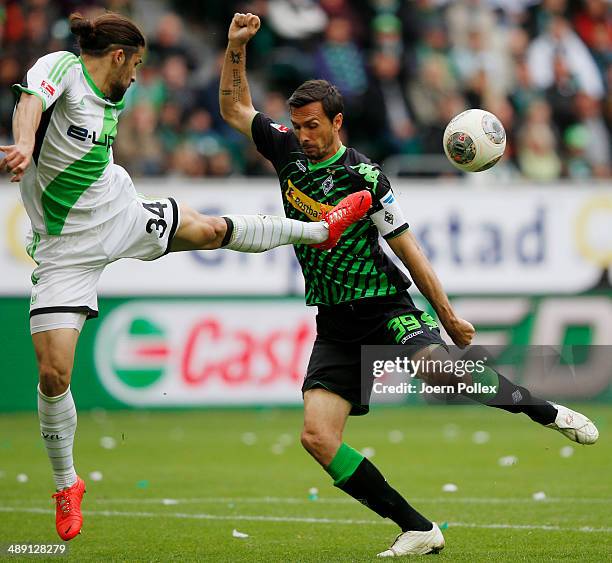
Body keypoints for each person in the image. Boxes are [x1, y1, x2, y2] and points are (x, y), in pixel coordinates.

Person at [220, 13, 599, 558]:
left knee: (440, 369)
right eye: (296, 125)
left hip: (383, 305)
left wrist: (445, 314)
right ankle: (419, 527)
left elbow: (406, 245)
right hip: (334, 320)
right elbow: (235, 107)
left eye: (311, 127)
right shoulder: (284, 149)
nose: (301, 136)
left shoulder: (366, 176)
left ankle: (548, 412)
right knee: (317, 438)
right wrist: (236, 48)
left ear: (337, 122)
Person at [0, 11, 371, 542]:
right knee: (54, 373)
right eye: (138, 64)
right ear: (121, 56)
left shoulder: (115, 95)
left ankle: (319, 231)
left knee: (207, 230)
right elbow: (31, 102)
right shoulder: (61, 66)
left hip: (116, 211)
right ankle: (66, 483)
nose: (137, 77)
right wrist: (21, 143)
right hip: (63, 251)